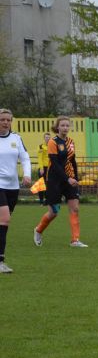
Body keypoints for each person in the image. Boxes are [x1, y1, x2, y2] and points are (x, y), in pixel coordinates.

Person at [33, 117, 87, 249]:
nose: (65, 128)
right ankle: (38, 230)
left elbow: (72, 161)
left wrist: (75, 177)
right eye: (62, 125)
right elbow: (55, 164)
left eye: (67, 125)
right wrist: (67, 178)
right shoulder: (53, 142)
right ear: (57, 127)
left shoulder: (71, 142)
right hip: (55, 180)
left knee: (74, 208)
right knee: (54, 212)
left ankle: (75, 240)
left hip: (69, 179)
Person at [0, 108, 32, 273]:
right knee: (5, 219)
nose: (6, 122)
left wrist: (27, 174)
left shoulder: (16, 138)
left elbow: (25, 158)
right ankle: (0, 261)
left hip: (13, 187)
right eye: (2, 120)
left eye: (8, 120)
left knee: (3, 224)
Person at [36, 133, 50, 205]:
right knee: (41, 184)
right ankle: (41, 200)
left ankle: (47, 200)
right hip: (43, 168)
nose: (48, 139)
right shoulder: (41, 146)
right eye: (46, 137)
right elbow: (40, 158)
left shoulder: (52, 146)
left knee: (49, 184)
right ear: (44, 138)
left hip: (50, 168)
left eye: (49, 137)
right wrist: (41, 168)